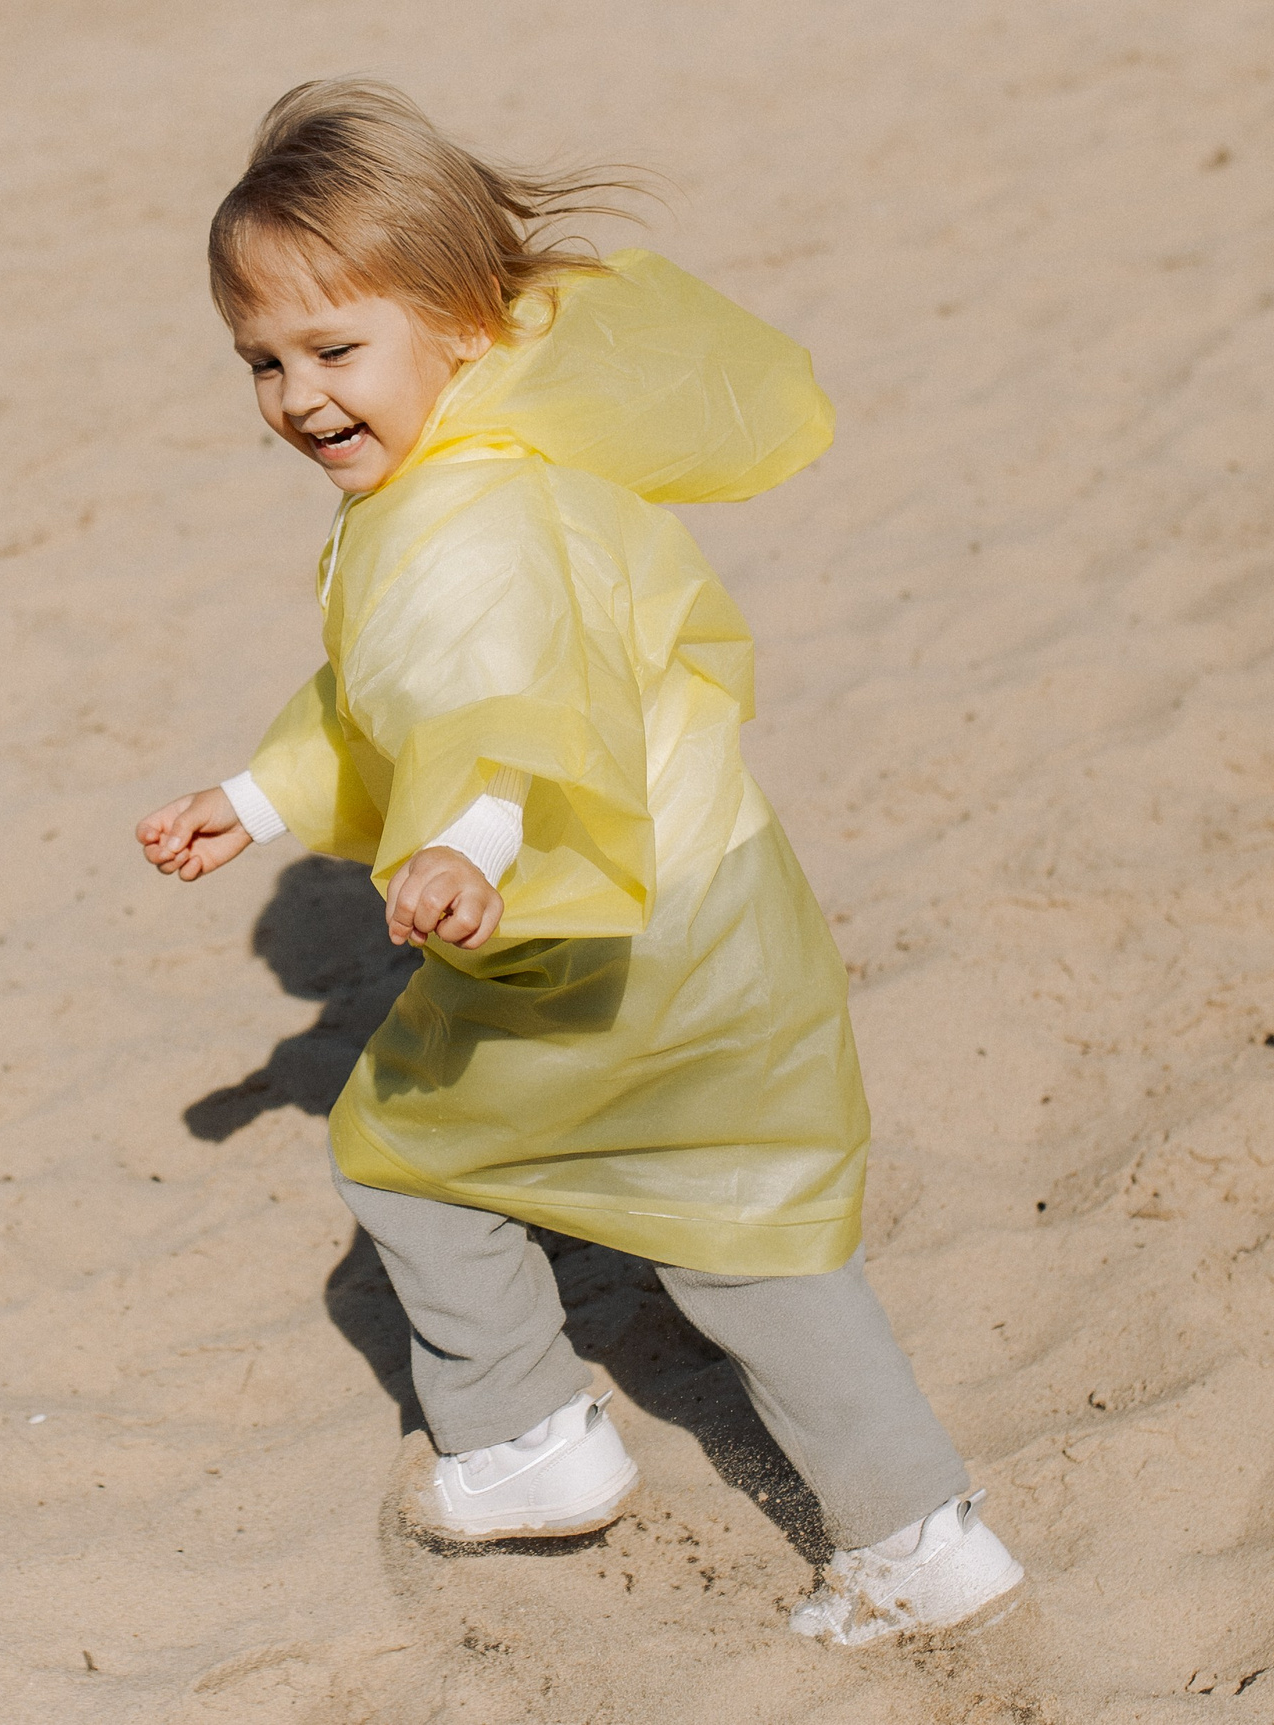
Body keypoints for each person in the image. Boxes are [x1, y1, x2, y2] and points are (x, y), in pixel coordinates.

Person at [135, 79, 1023, 1646]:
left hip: (597, 927)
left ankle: (525, 1438)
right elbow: (380, 703)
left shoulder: (467, 518)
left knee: (403, 1150)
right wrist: (261, 799)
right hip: (718, 907)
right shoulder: (489, 463)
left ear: (465, 322)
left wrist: (474, 846)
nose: (298, 397)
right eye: (261, 361)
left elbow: (504, 709)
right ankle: (922, 1539)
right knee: (749, 1228)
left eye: (337, 351)